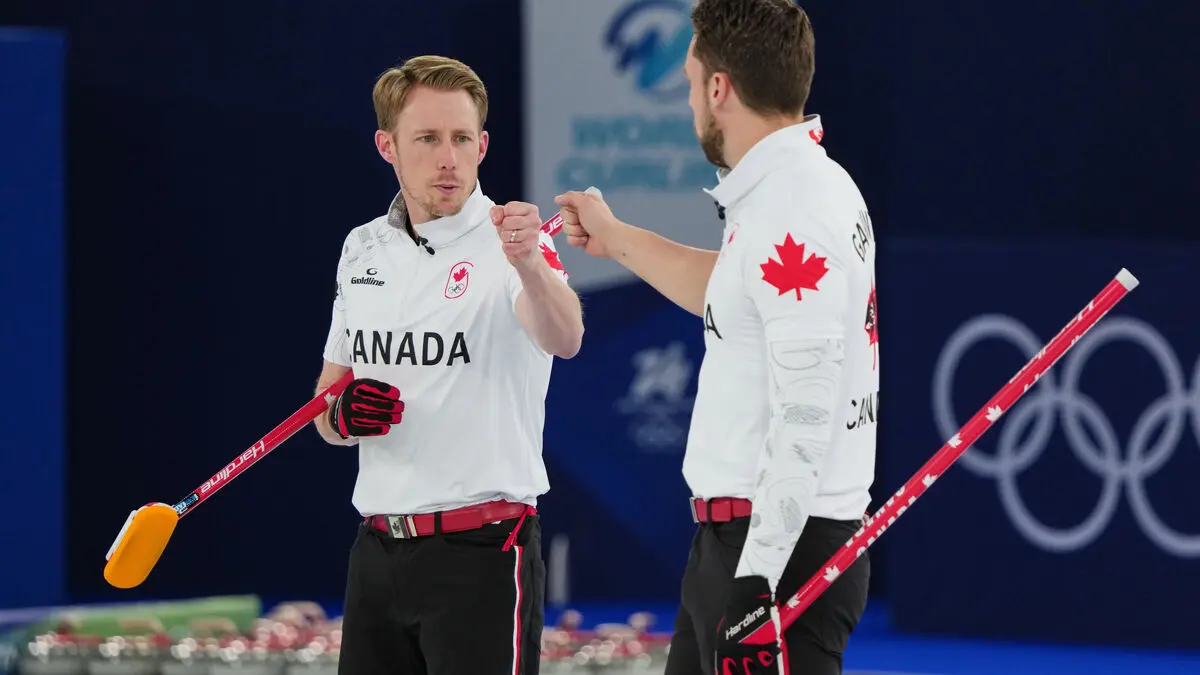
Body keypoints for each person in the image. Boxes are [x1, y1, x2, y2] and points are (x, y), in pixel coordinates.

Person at [555, 1, 876, 674]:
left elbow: (806, 416)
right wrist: (616, 239)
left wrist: (756, 586)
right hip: (741, 546)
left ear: (719, 89)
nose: (689, 101)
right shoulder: (787, 190)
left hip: (776, 557)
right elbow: (734, 295)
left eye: (692, 79)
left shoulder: (795, 208)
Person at [311, 55, 584, 675]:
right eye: (427, 139)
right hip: (377, 550)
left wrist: (532, 266)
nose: (448, 159)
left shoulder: (515, 242)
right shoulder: (362, 249)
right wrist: (342, 415)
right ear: (387, 146)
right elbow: (326, 406)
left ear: (483, 144)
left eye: (462, 139)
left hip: (483, 551)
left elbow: (565, 337)